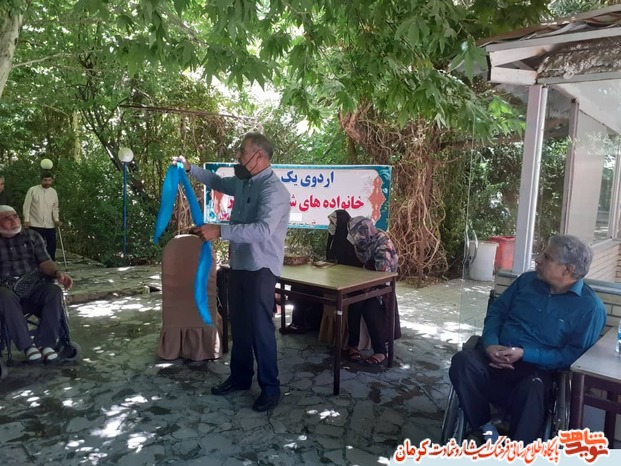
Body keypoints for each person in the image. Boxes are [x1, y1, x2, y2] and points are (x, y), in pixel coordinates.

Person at [448, 234, 606, 444]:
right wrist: (491, 344)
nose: (538, 260)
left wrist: (525, 354)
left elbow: (572, 355)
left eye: (547, 257)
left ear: (567, 269)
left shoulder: (590, 309)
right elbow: (497, 313)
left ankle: (518, 452)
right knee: (463, 361)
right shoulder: (526, 281)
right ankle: (486, 431)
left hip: (536, 372)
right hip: (494, 358)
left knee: (533, 387)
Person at [174, 132, 290, 412]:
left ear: (259, 156)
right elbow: (217, 182)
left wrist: (220, 230)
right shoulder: (245, 182)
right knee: (239, 324)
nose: (238, 155)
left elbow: (263, 230)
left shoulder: (274, 191)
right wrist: (189, 168)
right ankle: (240, 377)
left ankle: (270, 387)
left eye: (242, 151)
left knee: (260, 328)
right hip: (240, 264)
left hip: (261, 267)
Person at [0, 205, 73, 362]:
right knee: (3, 294)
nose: (13, 220)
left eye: (15, 216)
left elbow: (45, 261)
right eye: (7, 218)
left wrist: (57, 273)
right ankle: (27, 346)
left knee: (54, 291)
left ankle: (46, 344)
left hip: (33, 287)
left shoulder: (32, 236)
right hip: (6, 295)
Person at [281, 209, 363, 334]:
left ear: (341, 222)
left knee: (305, 290)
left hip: (344, 281)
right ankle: (298, 323)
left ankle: (306, 323)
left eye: (333, 222)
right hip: (330, 276)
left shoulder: (350, 239)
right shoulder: (333, 236)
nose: (331, 225)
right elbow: (331, 258)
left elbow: (350, 264)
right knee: (299, 287)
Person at [346, 216, 399, 366]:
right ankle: (353, 345)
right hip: (365, 281)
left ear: (366, 229)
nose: (357, 236)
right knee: (354, 303)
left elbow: (383, 270)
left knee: (370, 307)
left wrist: (367, 285)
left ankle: (381, 351)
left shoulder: (383, 241)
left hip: (383, 283)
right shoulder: (362, 242)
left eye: (359, 231)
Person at [23, 172, 60, 260]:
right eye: (45, 180)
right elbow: (26, 206)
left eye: (49, 180)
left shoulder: (53, 192)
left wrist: (56, 219)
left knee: (51, 246)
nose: (47, 182)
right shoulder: (32, 190)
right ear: (41, 180)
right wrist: (26, 219)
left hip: (50, 224)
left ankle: (51, 263)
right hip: (35, 223)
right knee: (36, 246)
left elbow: (55, 208)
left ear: (52, 180)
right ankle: (35, 264)